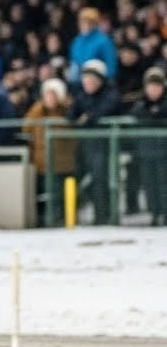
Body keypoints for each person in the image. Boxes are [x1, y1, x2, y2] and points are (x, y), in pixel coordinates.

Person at [67, 59, 122, 225]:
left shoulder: (111, 94)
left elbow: (105, 110)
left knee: (100, 181)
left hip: (104, 146)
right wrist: (78, 118)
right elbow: (71, 114)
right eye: (85, 80)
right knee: (79, 179)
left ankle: (103, 216)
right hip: (84, 145)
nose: (88, 83)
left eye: (91, 80)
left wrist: (88, 117)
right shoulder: (81, 95)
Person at [23, 78, 75, 226]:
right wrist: (38, 108)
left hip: (61, 163)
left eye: (53, 95)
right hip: (41, 162)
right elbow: (26, 127)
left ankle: (60, 220)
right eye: (47, 95)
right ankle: (41, 220)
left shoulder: (66, 112)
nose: (50, 98)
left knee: (58, 195)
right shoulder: (37, 112)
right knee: (40, 194)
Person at [128, 67, 167, 225]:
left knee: (164, 184)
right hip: (146, 151)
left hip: (164, 152)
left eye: (156, 86)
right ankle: (154, 213)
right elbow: (135, 115)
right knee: (149, 185)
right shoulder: (140, 104)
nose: (153, 90)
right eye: (150, 86)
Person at [68, 8, 117, 83]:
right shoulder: (76, 41)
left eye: (89, 23)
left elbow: (111, 66)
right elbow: (74, 63)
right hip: (81, 83)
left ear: (95, 24)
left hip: (100, 82)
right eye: (82, 22)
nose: (86, 25)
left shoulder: (104, 40)